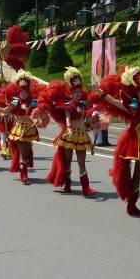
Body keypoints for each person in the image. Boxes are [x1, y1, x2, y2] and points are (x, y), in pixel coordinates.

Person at [97, 65, 140, 223]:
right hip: (137, 144)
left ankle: (132, 205)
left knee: (137, 176)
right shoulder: (133, 107)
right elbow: (115, 102)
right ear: (136, 92)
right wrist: (100, 92)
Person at [38, 67, 97, 196]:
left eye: (79, 92)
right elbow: (68, 118)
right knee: (68, 162)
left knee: (82, 163)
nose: (78, 94)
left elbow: (84, 121)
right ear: (71, 93)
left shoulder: (83, 105)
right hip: (70, 135)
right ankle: (68, 185)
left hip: (81, 135)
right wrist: (69, 128)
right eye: (76, 92)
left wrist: (92, 124)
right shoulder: (68, 106)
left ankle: (86, 188)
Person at [0, 71, 47, 183]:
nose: (24, 93)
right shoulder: (15, 103)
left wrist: (43, 115)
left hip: (29, 128)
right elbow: (5, 110)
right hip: (19, 128)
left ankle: (23, 170)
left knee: (26, 151)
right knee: (22, 151)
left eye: (25, 92)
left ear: (28, 92)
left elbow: (39, 112)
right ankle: (24, 174)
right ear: (19, 92)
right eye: (22, 92)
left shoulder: (33, 103)